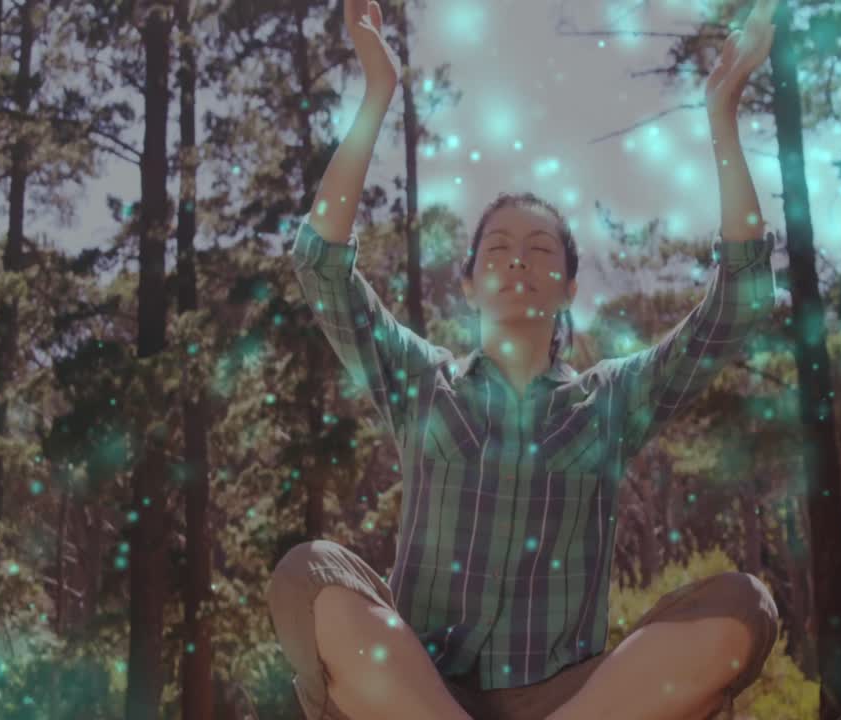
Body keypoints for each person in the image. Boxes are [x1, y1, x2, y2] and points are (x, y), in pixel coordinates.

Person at [270, 1, 783, 718]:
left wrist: (722, 115)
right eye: (498, 251)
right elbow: (321, 266)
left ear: (569, 288)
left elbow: (741, 302)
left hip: (568, 699)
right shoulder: (420, 382)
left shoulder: (609, 402)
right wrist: (377, 92)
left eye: (540, 251)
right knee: (309, 575)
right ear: (472, 281)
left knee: (742, 608)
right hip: (421, 691)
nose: (517, 261)